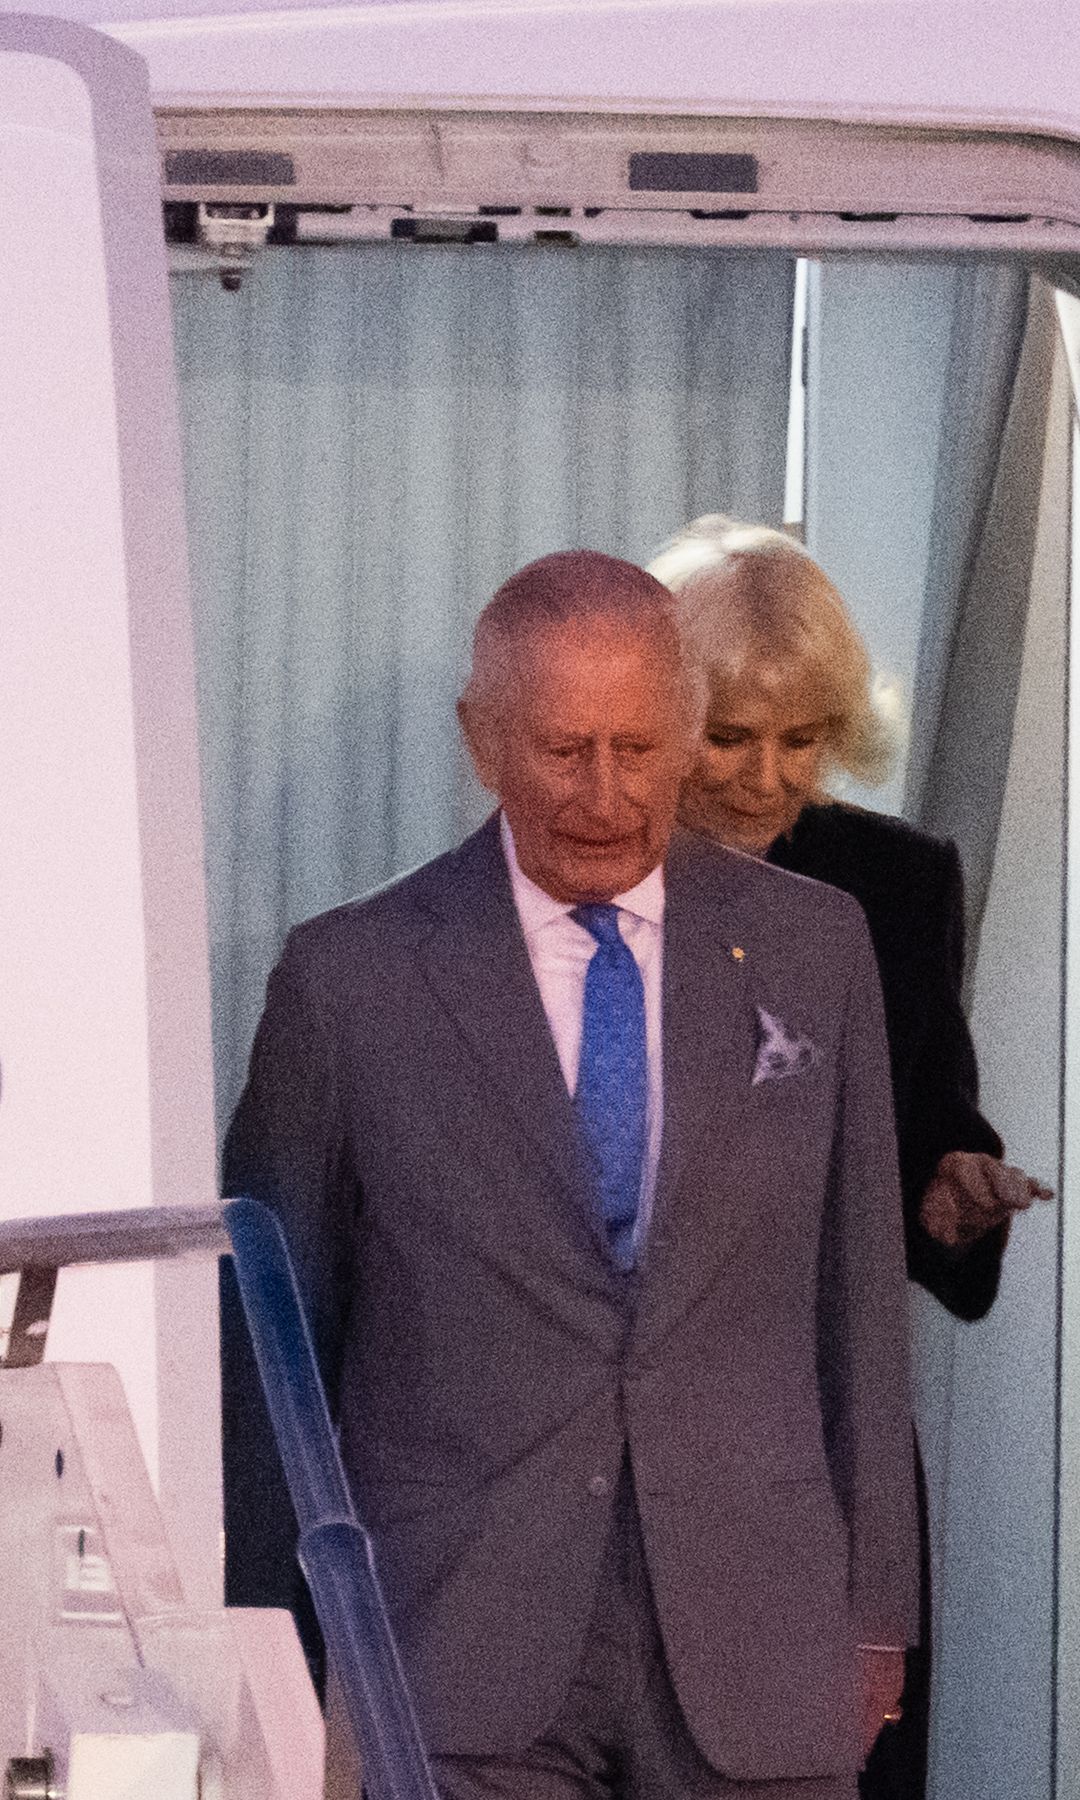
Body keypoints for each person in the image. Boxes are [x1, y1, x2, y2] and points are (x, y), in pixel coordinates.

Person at [224, 548, 919, 1800]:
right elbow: (270, 1343)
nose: (606, 795)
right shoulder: (346, 987)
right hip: (448, 1646)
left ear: (686, 730)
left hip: (758, 1638)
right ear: (480, 742)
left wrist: (877, 1608)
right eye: (562, 751)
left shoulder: (821, 953)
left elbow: (858, 1305)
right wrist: (256, 1638)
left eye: (641, 751)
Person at [647, 516, 1050, 1800]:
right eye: (729, 736)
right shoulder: (584, 876)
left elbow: (938, 1117)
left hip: (825, 1456)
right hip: (626, 1458)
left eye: (803, 741)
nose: (766, 780)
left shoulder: (897, 883)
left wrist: (952, 1189)